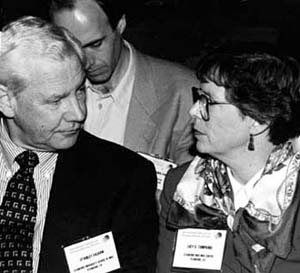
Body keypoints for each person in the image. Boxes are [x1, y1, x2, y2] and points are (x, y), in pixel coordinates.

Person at [0, 16, 158, 272]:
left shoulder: (124, 178)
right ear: (6, 100)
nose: (78, 112)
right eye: (56, 100)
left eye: (80, 91)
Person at [157, 47, 300, 273]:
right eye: (198, 97)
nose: (194, 111)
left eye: (207, 101)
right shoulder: (182, 187)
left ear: (257, 118)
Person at [49, 0, 198, 165]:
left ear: (120, 24)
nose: (87, 62)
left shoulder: (182, 92)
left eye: (95, 44)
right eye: (73, 48)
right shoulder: (47, 88)